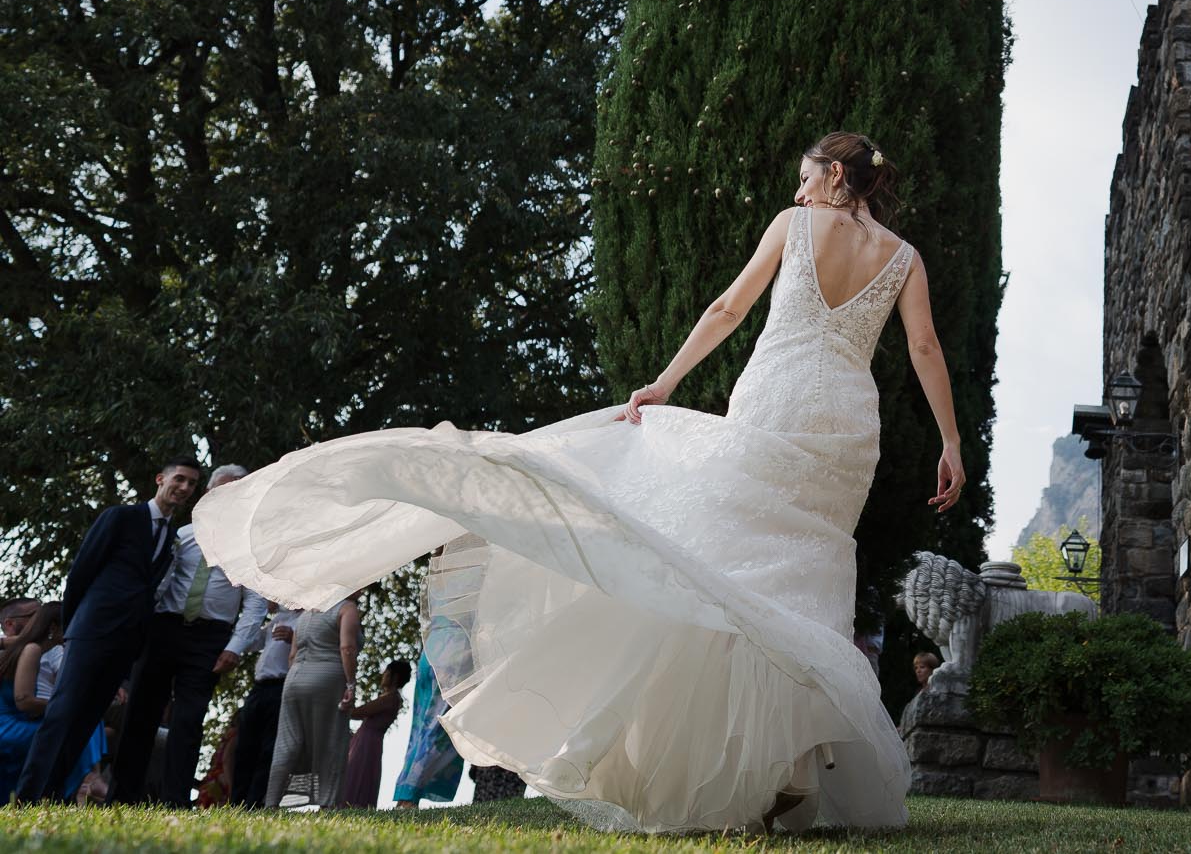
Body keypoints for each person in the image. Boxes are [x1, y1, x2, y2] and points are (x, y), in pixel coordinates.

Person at [192, 133, 966, 834]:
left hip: (778, 398)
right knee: (807, 573)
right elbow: (924, 346)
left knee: (737, 571)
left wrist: (664, 382)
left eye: (805, 178)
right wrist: (950, 440)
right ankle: (791, 770)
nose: (799, 193)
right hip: (845, 423)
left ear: (834, 175)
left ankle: (745, 767)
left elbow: (730, 306)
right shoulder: (902, 256)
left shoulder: (795, 226)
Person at [13, 456, 199, 802]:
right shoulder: (121, 517)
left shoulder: (171, 537)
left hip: (127, 644)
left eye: (191, 484)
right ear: (161, 479)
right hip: (90, 633)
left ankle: (52, 795)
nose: (185, 488)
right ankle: (28, 795)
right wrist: (72, 631)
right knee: (63, 713)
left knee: (87, 722)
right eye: (180, 479)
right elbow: (81, 572)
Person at [113, 463, 269, 807]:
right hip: (162, 629)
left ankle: (175, 801)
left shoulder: (249, 547)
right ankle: (121, 797)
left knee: (188, 720)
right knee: (140, 714)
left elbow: (256, 604)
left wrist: (235, 647)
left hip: (210, 640)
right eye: (223, 490)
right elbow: (156, 583)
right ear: (209, 494)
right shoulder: (180, 535)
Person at [5, 605, 112, 803]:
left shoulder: (29, 647)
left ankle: (88, 779)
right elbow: (24, 701)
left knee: (83, 718)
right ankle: (89, 779)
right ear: (54, 628)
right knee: (75, 722)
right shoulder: (33, 649)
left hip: (17, 721)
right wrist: (65, 707)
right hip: (10, 725)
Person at [261, 594, 360, 808]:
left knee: (287, 744)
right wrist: (351, 684)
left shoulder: (307, 611)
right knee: (331, 741)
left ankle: (272, 802)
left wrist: (296, 678)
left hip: (294, 679)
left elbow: (292, 654)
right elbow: (347, 647)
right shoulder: (346, 608)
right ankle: (328, 803)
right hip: (328, 677)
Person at [392, 554, 469, 809]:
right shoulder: (472, 574)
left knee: (422, 728)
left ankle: (406, 792)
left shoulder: (438, 575)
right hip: (454, 652)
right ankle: (408, 796)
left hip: (431, 650)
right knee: (441, 727)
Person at [229, 607, 296, 809]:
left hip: (282, 685)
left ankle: (255, 802)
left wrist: (294, 637)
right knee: (245, 746)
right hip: (259, 686)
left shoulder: (307, 618)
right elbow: (252, 643)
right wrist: (259, 613)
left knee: (269, 748)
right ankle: (237, 802)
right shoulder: (279, 617)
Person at [333, 659, 410, 808]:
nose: (383, 675)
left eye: (386, 673)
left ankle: (349, 805)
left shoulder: (390, 698)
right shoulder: (391, 698)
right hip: (367, 740)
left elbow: (358, 712)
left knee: (356, 774)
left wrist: (343, 702)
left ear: (394, 676)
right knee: (358, 774)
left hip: (367, 742)